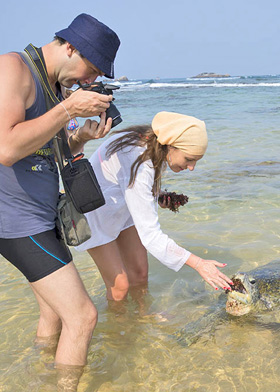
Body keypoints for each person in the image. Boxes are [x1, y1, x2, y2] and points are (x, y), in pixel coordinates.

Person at [0, 13, 120, 392]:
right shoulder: (10, 69)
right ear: (71, 47)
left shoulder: (53, 86)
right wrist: (69, 107)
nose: (89, 80)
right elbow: (4, 147)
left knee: (54, 315)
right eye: (93, 69)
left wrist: (80, 136)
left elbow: (43, 145)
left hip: (41, 217)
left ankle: (40, 376)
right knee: (84, 316)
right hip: (19, 225)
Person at [74, 111, 234, 305]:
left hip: (121, 208)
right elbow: (151, 236)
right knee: (120, 287)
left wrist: (156, 196)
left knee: (140, 274)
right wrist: (199, 264)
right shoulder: (137, 160)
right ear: (171, 145)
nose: (192, 167)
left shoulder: (153, 144)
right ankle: (121, 327)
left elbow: (128, 187)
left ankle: (143, 316)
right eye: (189, 158)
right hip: (94, 214)